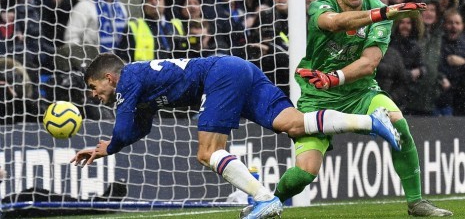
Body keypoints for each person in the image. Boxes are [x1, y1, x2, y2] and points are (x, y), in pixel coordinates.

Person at [70, 53, 401, 219]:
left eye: (93, 87)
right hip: (238, 68)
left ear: (109, 78)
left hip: (219, 77)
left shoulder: (128, 81)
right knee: (294, 124)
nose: (94, 94)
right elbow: (141, 127)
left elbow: (126, 129)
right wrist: (109, 147)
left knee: (206, 152)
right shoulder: (138, 83)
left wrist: (112, 144)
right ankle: (371, 122)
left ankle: (263, 198)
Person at [247, 0, 451, 217]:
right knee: (304, 174)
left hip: (360, 91)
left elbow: (369, 63)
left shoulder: (377, 8)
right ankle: (271, 201)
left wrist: (335, 77)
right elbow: (335, 23)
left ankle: (416, 202)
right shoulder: (320, 7)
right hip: (317, 96)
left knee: (399, 124)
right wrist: (383, 13)